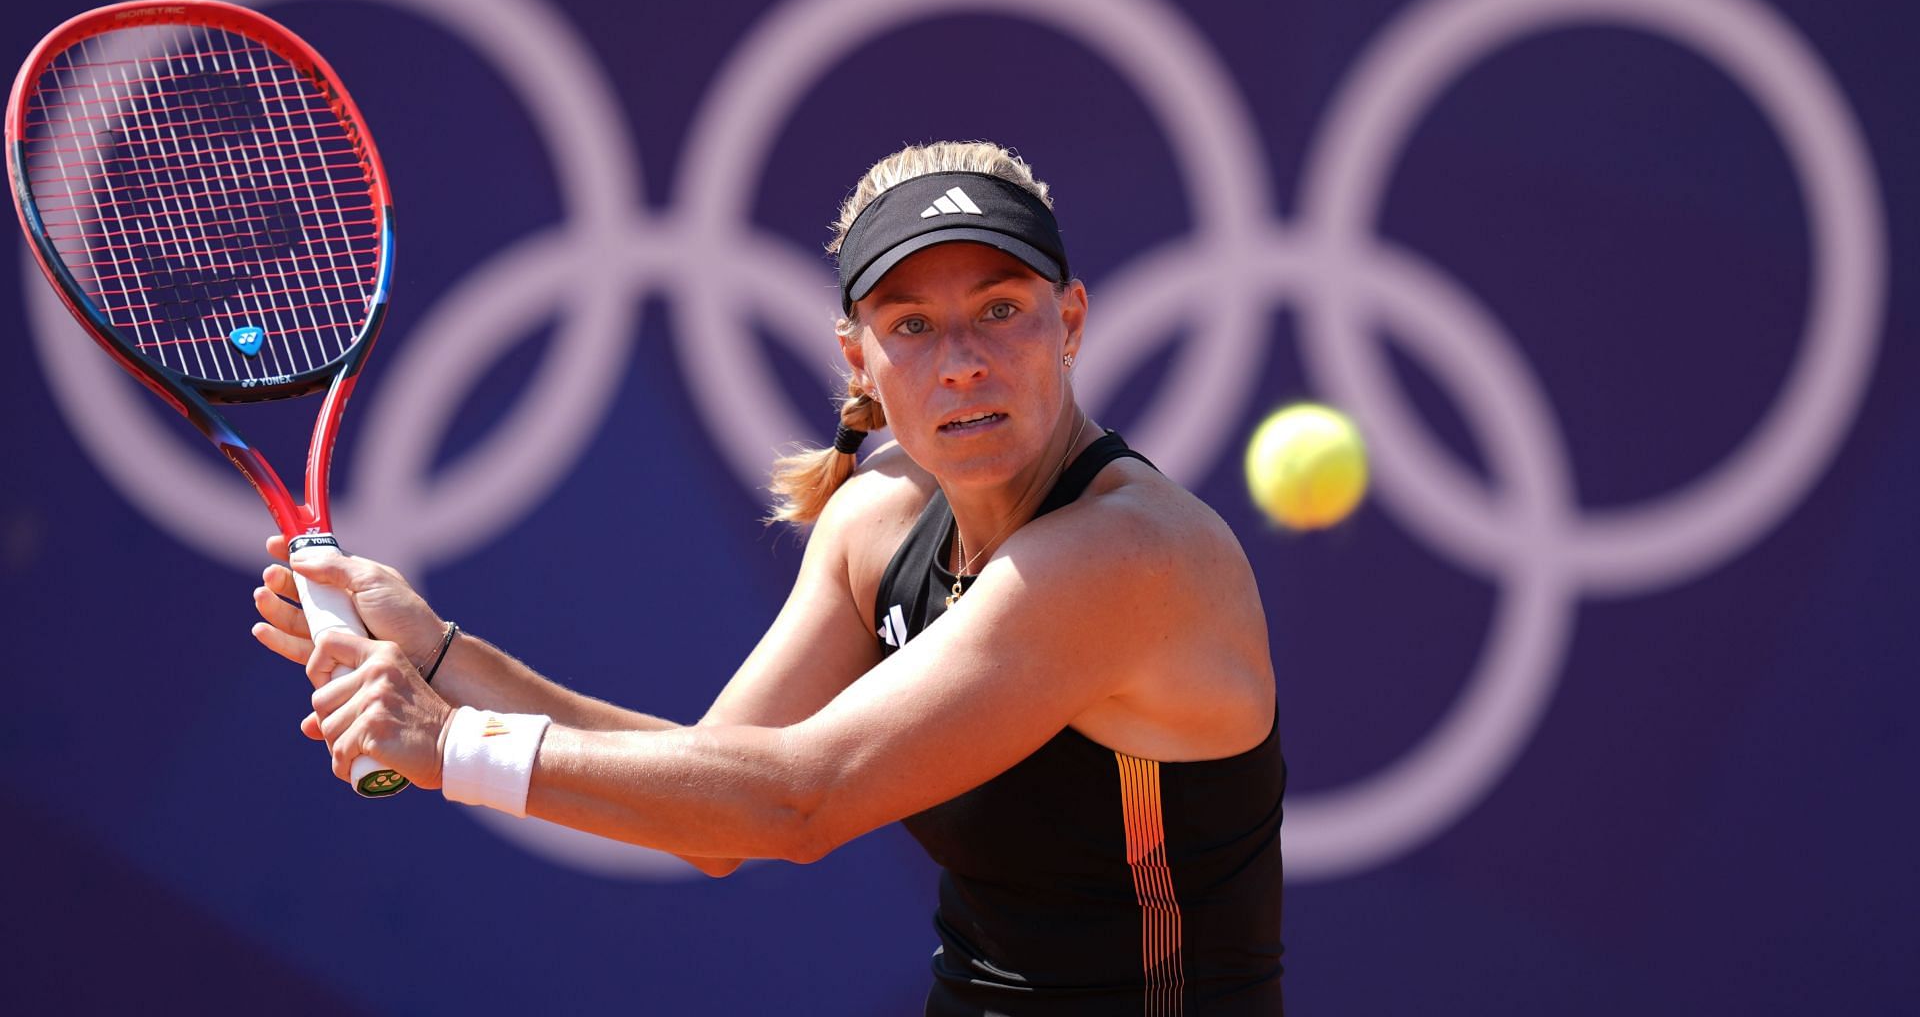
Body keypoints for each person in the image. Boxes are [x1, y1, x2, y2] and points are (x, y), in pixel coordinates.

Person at [251, 141, 1286, 1014]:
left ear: (1068, 321)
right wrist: (438, 652)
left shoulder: (1125, 555)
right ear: (858, 361)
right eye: (912, 325)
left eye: (1001, 308)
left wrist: (448, 741)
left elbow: (799, 801)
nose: (962, 359)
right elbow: (716, 799)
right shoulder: (878, 521)